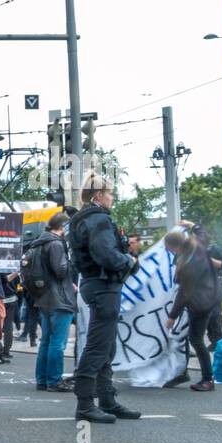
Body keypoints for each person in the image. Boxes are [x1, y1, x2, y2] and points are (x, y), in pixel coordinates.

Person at [66, 171, 141, 423]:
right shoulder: (97, 219)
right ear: (98, 195)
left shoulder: (83, 218)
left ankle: (106, 400)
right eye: (110, 193)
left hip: (96, 284)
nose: (112, 198)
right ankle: (85, 404)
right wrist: (129, 261)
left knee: (106, 345)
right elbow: (106, 254)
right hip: (102, 285)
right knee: (98, 346)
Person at [162, 230, 221, 392]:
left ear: (175, 247)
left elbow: (184, 293)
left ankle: (208, 379)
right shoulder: (196, 246)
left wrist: (172, 315)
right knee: (186, 337)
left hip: (201, 303)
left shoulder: (190, 264)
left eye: (169, 249)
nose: (169, 252)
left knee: (196, 340)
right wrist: (191, 225)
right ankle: (182, 372)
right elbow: (203, 234)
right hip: (208, 297)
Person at [27, 211, 74, 391]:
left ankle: (42, 379)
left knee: (46, 340)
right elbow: (61, 270)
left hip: (43, 297)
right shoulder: (55, 244)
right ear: (63, 227)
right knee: (57, 342)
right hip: (59, 298)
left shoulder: (39, 243)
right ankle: (54, 380)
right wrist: (71, 260)